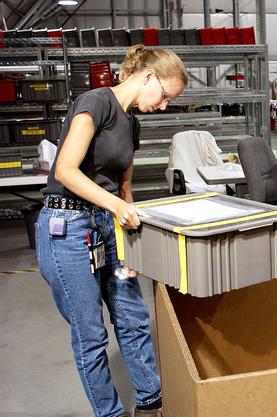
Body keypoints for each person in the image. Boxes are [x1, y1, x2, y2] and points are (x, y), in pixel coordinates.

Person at [35, 45, 188, 417]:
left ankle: (151, 406)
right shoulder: (96, 103)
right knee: (91, 336)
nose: (164, 106)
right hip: (68, 232)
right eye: (165, 96)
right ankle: (111, 413)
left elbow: (124, 187)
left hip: (108, 230)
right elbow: (65, 170)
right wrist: (116, 206)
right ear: (148, 76)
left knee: (133, 317)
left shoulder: (131, 121)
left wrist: (128, 230)